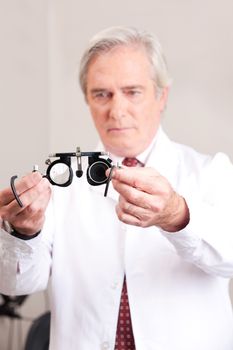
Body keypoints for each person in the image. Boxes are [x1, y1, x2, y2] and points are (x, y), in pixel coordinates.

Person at [0, 26, 233, 350]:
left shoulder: (212, 172)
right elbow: (15, 283)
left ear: (161, 95)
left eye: (132, 91)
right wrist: (22, 232)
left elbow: (228, 257)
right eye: (101, 94)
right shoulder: (59, 186)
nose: (117, 110)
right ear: (87, 99)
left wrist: (178, 214)